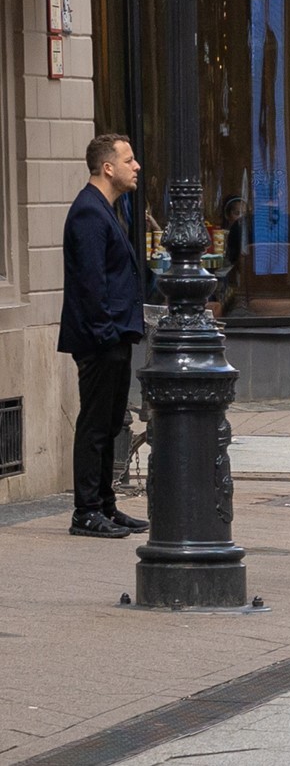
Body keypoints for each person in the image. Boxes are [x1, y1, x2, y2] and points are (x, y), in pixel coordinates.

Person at [59, 134, 149, 539]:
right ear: (107, 168)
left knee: (112, 422)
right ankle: (86, 511)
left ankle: (106, 505)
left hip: (114, 336)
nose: (136, 167)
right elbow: (91, 284)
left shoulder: (106, 210)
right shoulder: (89, 215)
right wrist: (106, 335)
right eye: (129, 160)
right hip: (100, 340)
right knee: (95, 424)